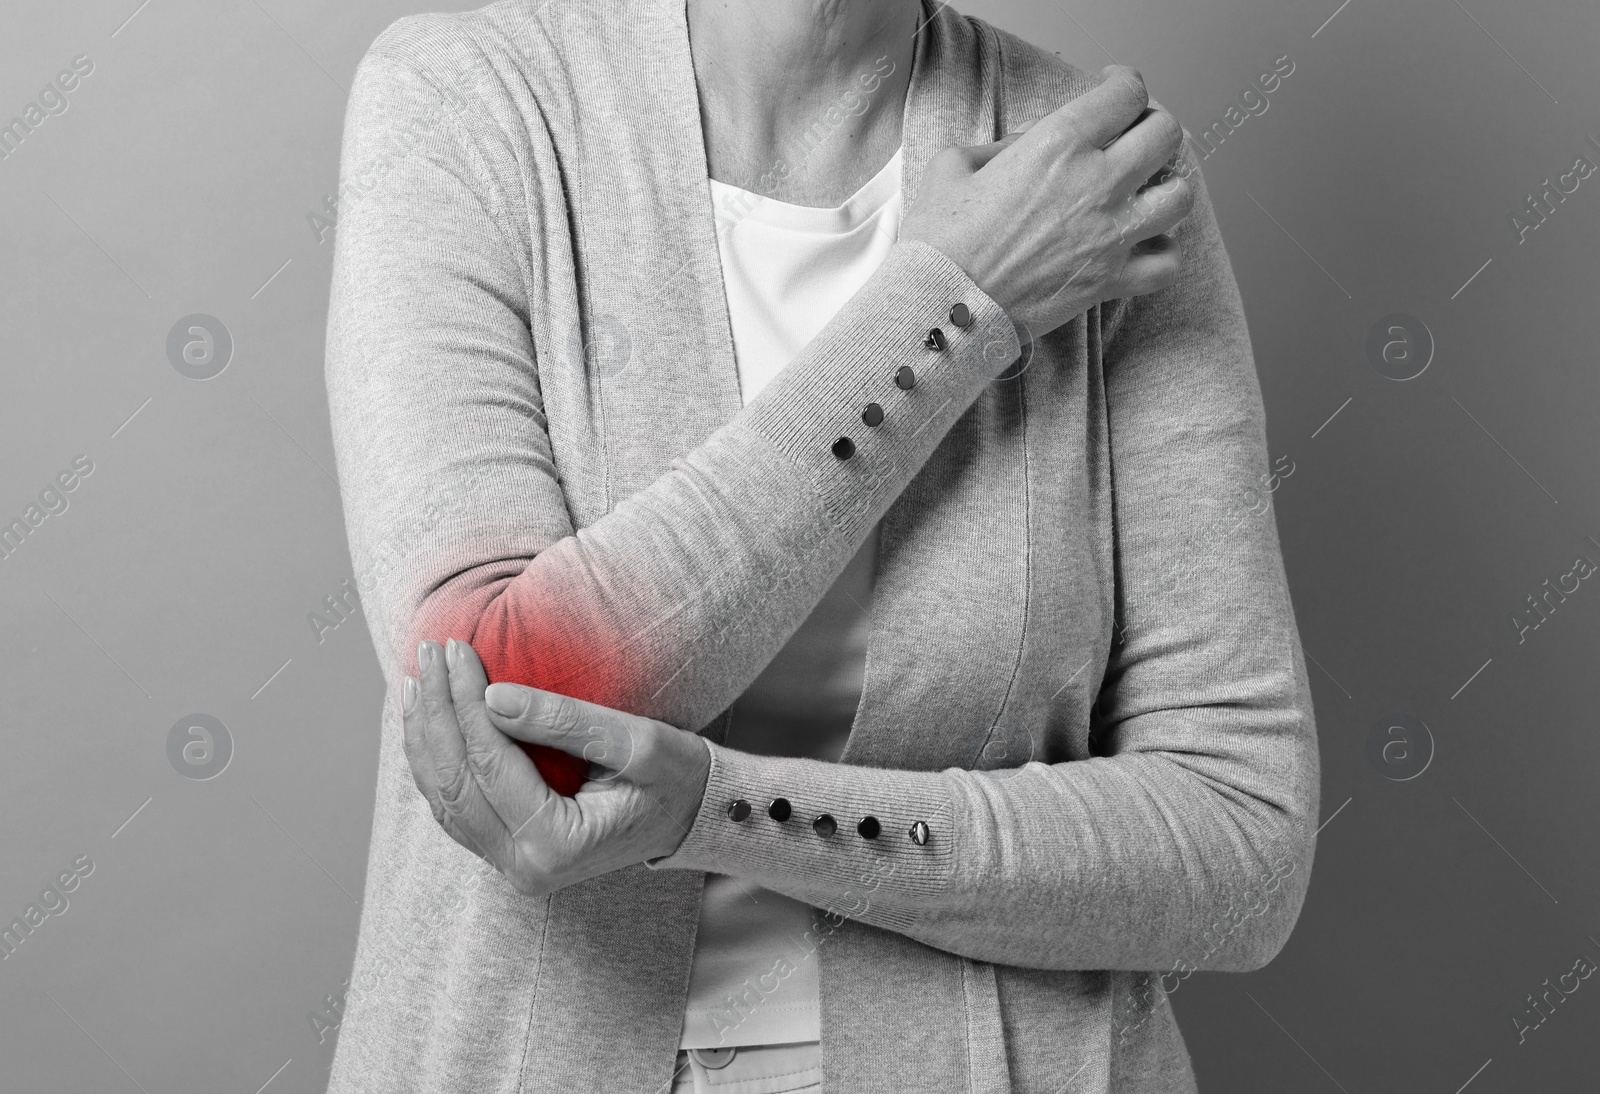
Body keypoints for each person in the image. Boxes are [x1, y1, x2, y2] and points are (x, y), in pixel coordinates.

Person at [322, 0, 1320, 1091]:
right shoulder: (469, 102)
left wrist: (724, 811)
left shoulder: (1096, 175)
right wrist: (951, 302)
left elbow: (1240, 842)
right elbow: (513, 710)